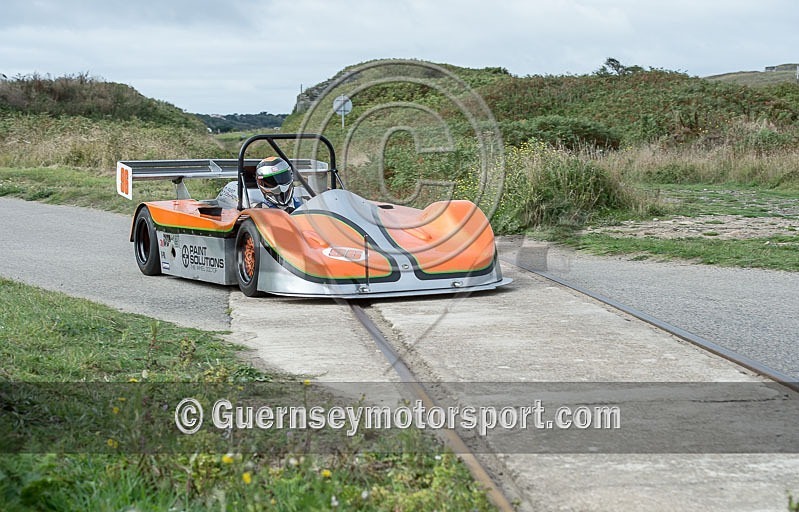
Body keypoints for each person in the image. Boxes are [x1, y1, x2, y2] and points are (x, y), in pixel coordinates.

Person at [214, 156, 301, 212]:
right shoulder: (252, 201)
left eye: (283, 177)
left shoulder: (300, 200)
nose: (280, 186)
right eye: (271, 181)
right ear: (260, 183)